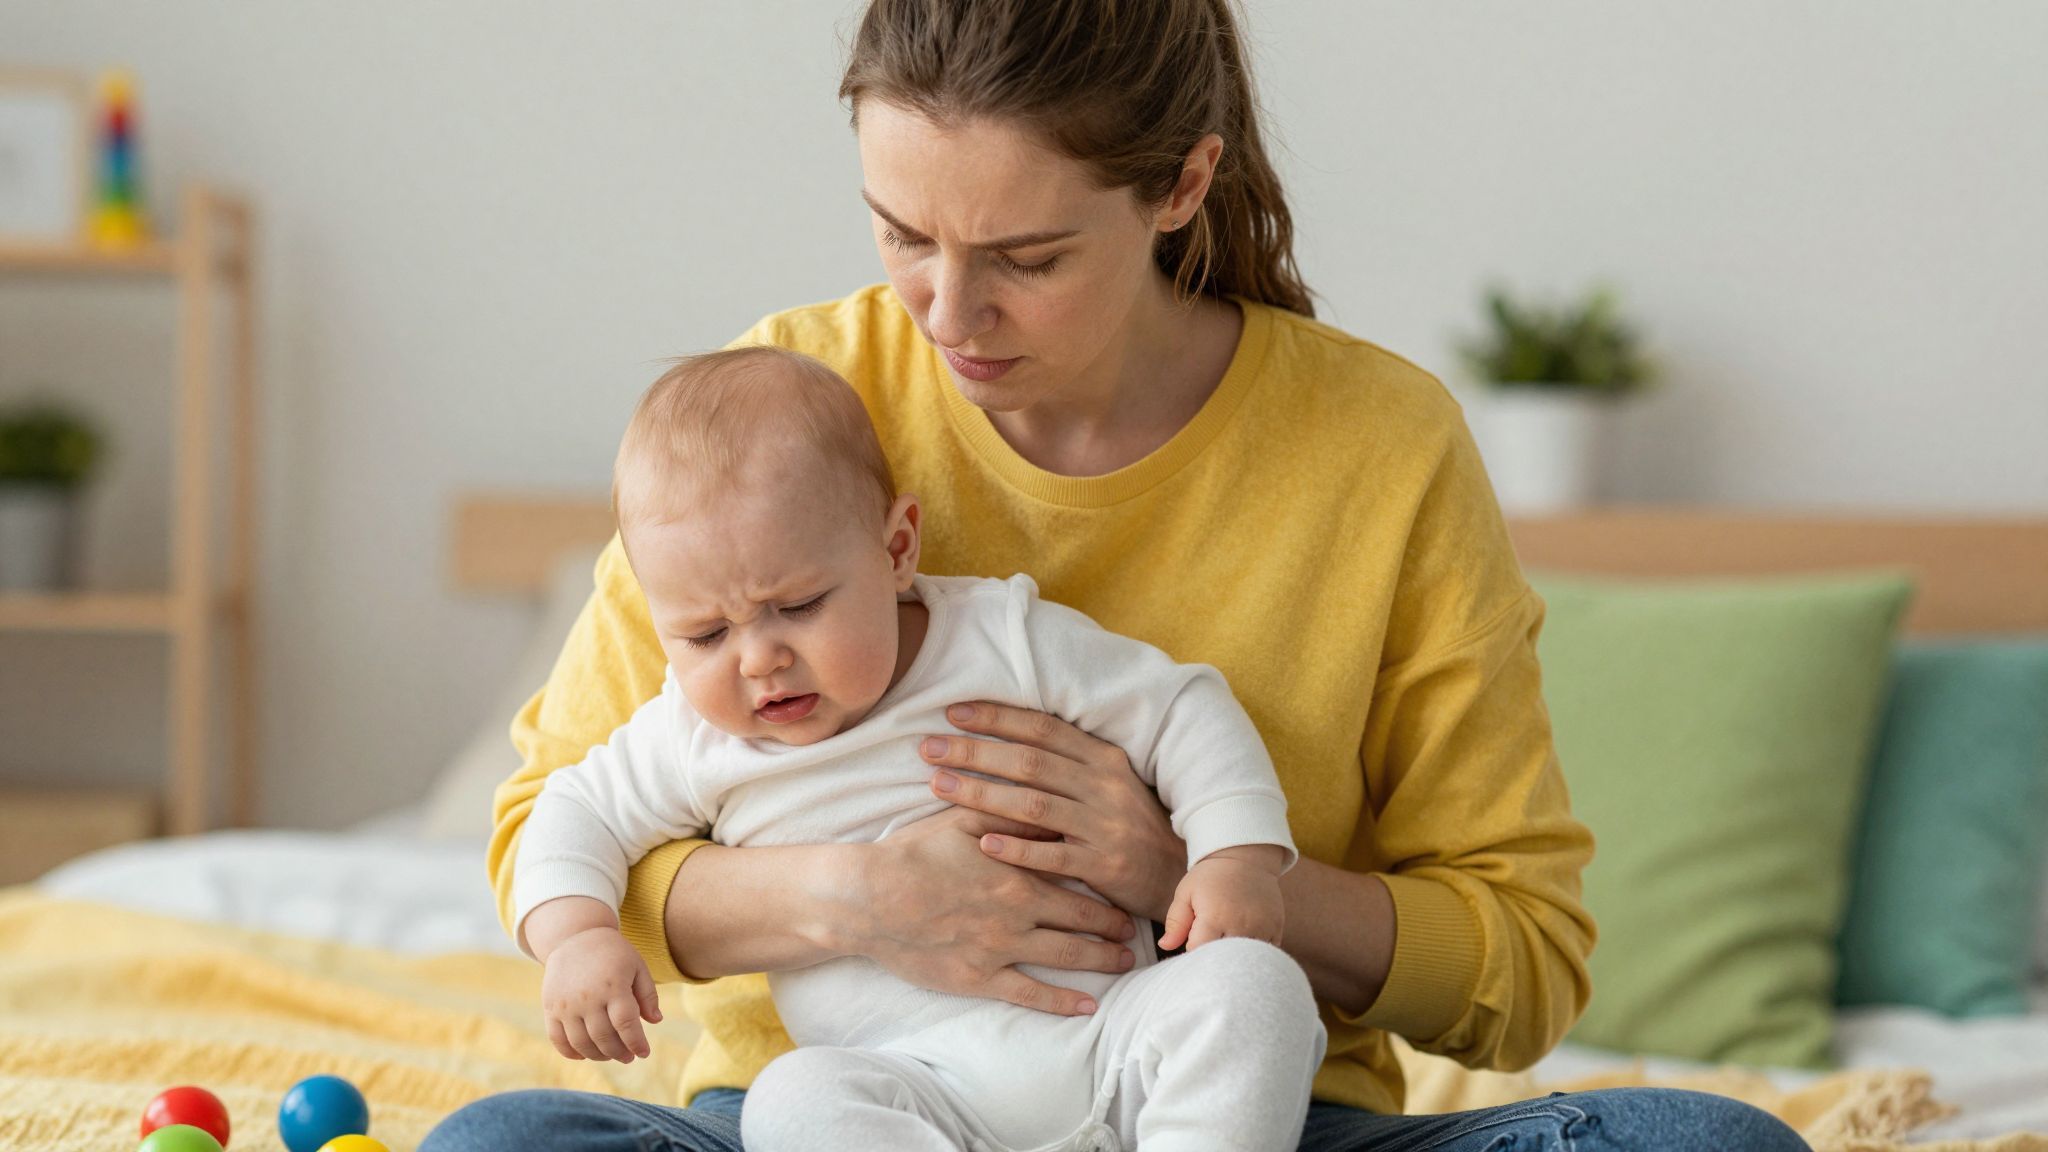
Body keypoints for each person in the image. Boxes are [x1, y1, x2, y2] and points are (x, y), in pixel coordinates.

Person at [427, 1, 1813, 1149]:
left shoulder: (1379, 450)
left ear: (1183, 186)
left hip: (1239, 1112)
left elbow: (1524, 965)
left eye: (1026, 258)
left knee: (1711, 1147)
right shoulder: (788, 415)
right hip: (849, 1116)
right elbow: (545, 827)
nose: (949, 317)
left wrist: (1186, 870)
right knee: (498, 1147)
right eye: (903, 234)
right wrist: (852, 901)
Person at [513, 346, 1326, 1151]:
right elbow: (570, 811)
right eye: (705, 633)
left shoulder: (999, 639)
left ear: (897, 549)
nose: (758, 658)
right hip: (911, 1091)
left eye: (797, 604)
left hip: (1119, 1046)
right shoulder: (689, 737)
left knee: (1254, 988)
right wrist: (579, 937)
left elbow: (1183, 709)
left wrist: (1232, 859)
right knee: (791, 1100)